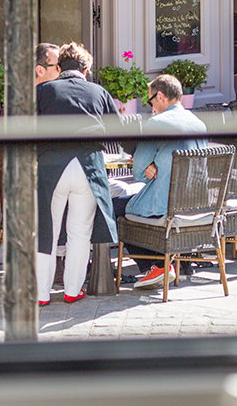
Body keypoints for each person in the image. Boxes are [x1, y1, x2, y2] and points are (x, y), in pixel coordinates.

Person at [34, 42, 118, 306]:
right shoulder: (99, 91)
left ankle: (41, 294)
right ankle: (72, 290)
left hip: (51, 166)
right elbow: (118, 132)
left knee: (46, 229)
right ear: (87, 68)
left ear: (59, 68)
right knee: (80, 232)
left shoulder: (43, 91)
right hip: (88, 168)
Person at [119, 73, 207, 290]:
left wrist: (149, 166)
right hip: (196, 203)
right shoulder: (199, 123)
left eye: (150, 101)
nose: (151, 107)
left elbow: (139, 171)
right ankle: (169, 264)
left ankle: (155, 266)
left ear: (160, 97)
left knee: (114, 208)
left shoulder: (157, 123)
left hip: (165, 203)